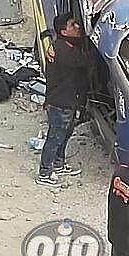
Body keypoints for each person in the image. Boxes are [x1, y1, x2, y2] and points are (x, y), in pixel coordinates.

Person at [36, 13, 92, 187]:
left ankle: (58, 164)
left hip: (67, 100)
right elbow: (86, 62)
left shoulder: (63, 45)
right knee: (55, 137)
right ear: (63, 31)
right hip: (60, 102)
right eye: (72, 25)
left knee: (65, 134)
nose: (77, 27)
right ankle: (44, 173)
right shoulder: (63, 51)